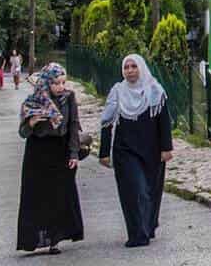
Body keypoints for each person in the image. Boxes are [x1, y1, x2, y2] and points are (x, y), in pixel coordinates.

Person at [99, 53, 173, 248]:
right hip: (125, 150)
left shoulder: (155, 91)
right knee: (134, 191)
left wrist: (166, 148)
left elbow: (164, 121)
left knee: (150, 191)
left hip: (151, 150)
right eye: (126, 67)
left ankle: (148, 226)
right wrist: (104, 152)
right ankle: (137, 234)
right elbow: (107, 121)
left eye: (133, 66)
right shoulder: (117, 91)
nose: (130, 70)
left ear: (141, 68)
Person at [16, 63, 84, 255]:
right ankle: (34, 239)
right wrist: (31, 122)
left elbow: (73, 125)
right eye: (56, 83)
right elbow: (23, 132)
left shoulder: (68, 98)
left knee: (60, 195)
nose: (60, 87)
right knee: (37, 197)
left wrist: (73, 153)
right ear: (46, 83)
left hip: (60, 150)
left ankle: (56, 239)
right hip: (37, 153)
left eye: (63, 82)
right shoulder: (32, 102)